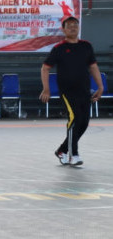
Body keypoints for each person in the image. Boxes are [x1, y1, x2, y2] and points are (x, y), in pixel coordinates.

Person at [40, 16, 102, 168]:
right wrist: (46, 88)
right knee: (74, 119)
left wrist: (100, 87)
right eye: (69, 26)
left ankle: (62, 150)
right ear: (64, 29)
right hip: (68, 92)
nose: (73, 27)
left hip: (84, 90)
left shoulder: (86, 46)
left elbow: (93, 67)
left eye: (75, 25)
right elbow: (45, 68)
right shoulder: (59, 48)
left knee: (84, 123)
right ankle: (73, 154)